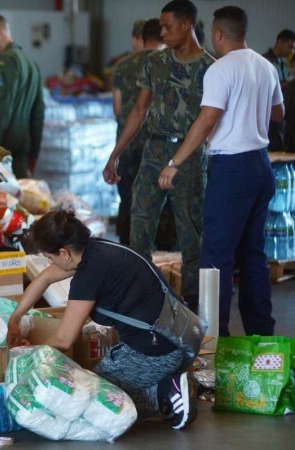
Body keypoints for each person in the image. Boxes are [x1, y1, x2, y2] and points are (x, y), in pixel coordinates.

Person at [7, 209, 197, 430]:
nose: (51, 264)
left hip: (156, 352)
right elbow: (45, 278)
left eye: (50, 258)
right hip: (181, 337)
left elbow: (63, 340)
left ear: (64, 252)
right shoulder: (97, 250)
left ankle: (165, 393)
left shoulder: (88, 275)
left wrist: (23, 360)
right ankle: (170, 383)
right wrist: (15, 319)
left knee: (80, 401)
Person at [158, 6, 283, 337]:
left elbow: (208, 118)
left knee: (215, 259)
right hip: (260, 164)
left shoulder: (220, 70)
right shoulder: (266, 66)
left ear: (217, 34)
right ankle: (261, 335)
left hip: (232, 169)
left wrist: (175, 162)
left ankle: (215, 341)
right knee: (253, 255)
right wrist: (249, 114)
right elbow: (278, 113)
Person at [103, 0, 215, 313]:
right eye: (160, 26)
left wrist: (182, 160)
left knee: (190, 234)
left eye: (168, 26)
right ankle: (143, 300)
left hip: (189, 156)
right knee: (139, 226)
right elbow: (138, 111)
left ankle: (194, 308)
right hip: (153, 149)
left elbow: (212, 121)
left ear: (187, 25)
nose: (162, 32)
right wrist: (115, 154)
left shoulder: (210, 68)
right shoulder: (155, 62)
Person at [112, 18, 168, 245]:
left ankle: (128, 250)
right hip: (160, 143)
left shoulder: (123, 65)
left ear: (142, 38)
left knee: (128, 198)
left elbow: (117, 109)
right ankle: (165, 256)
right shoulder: (169, 63)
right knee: (162, 199)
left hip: (128, 143)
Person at [0, 13, 45, 179]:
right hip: (22, 151)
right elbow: (38, 113)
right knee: (22, 200)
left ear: (2, 34)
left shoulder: (4, 63)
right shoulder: (31, 64)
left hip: (2, 152)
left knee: (2, 202)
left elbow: (0, 110)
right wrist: (34, 154)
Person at [262, 29, 295, 151]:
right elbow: (268, 88)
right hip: (270, 118)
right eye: (289, 46)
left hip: (283, 118)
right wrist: (290, 82)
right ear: (280, 42)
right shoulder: (265, 62)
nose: (291, 51)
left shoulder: (284, 64)